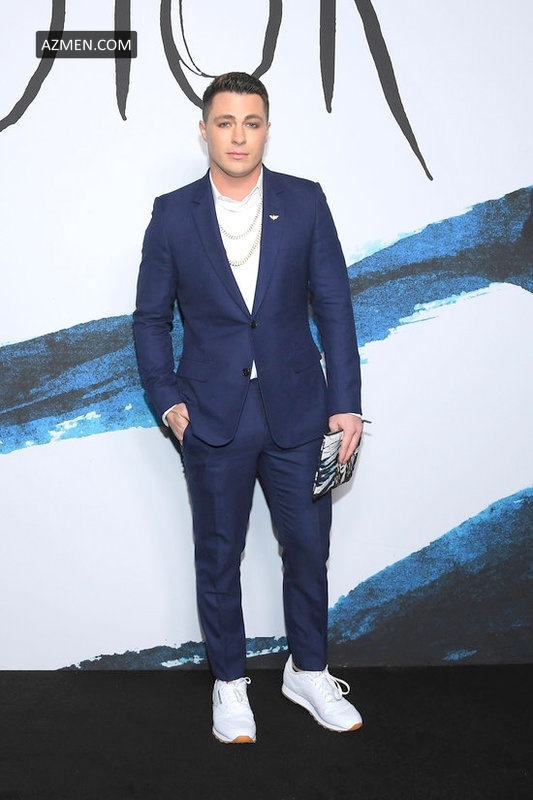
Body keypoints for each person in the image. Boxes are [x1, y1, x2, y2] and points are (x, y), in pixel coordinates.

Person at [133, 72, 364, 744]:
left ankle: (309, 671)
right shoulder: (172, 213)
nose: (238, 136)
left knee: (308, 549)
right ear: (204, 130)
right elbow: (150, 319)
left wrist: (346, 404)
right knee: (218, 554)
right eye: (226, 122)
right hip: (210, 415)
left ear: (266, 129)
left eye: (252, 122)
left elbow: (334, 306)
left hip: (300, 410)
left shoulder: (305, 201)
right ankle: (229, 684)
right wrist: (168, 401)